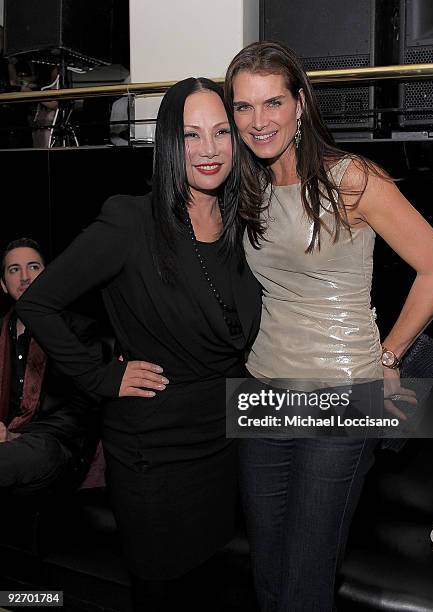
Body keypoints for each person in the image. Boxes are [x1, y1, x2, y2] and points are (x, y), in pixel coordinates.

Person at [224, 41, 433, 611]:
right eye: (244, 107)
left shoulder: (349, 178)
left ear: (300, 103)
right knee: (268, 573)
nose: (259, 121)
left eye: (273, 103)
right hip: (264, 395)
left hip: (341, 396)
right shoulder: (248, 187)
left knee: (306, 581)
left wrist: (389, 357)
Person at [16, 78, 261, 610]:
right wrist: (100, 375)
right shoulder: (130, 221)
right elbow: (38, 302)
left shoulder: (243, 222)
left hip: (222, 441)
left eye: (221, 132)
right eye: (191, 135)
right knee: (160, 591)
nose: (209, 149)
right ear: (168, 142)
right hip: (154, 448)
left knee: (209, 587)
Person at [0, 238, 100, 495]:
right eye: (14, 269)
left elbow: (82, 410)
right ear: (3, 285)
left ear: (49, 275)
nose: (24, 277)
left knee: (34, 452)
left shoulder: (79, 330)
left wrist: (15, 436)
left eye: (33, 267)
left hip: (54, 445)